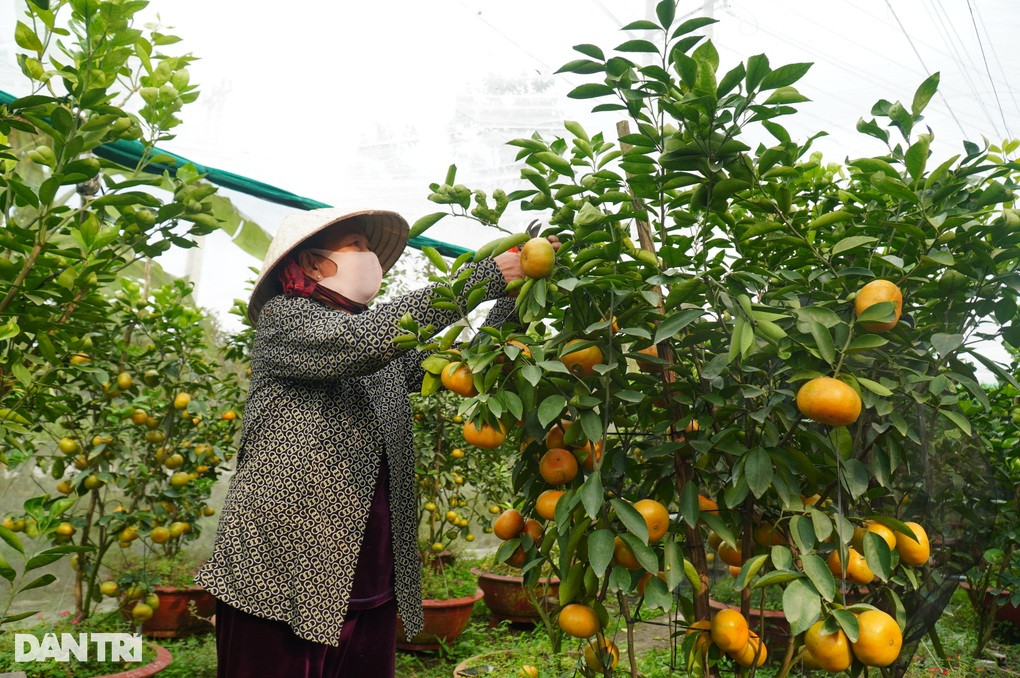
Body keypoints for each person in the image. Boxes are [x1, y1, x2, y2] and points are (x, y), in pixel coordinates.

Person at [194, 207, 557, 677]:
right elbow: (363, 342)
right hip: (283, 568)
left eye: (369, 247)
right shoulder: (287, 320)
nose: (369, 257)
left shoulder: (383, 345)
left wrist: (515, 295)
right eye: (356, 245)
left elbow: (472, 366)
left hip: (365, 568)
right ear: (308, 263)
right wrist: (481, 278)